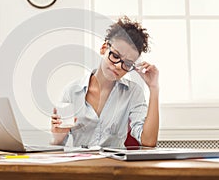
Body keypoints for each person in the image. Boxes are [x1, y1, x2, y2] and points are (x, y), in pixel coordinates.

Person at [51, 16, 159, 148]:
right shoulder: (72, 91)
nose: (119, 66)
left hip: (114, 167)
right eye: (115, 56)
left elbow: (148, 141)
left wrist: (154, 88)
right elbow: (57, 147)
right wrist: (58, 138)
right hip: (80, 166)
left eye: (127, 64)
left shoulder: (133, 92)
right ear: (103, 49)